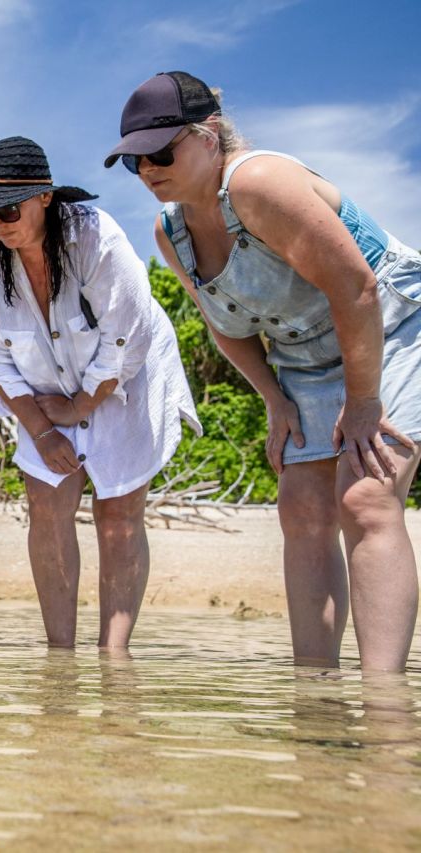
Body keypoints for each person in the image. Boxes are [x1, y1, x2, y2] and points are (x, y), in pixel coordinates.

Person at [106, 72, 421, 671]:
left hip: (392, 327)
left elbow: (356, 290)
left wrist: (362, 403)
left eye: (161, 152)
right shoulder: (170, 232)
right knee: (301, 508)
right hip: (302, 358)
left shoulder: (258, 182)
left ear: (210, 136)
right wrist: (274, 400)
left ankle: (385, 703)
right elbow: (226, 326)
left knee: (364, 497)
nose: (148, 170)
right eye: (133, 162)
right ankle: (316, 697)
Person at [0, 136, 200, 650]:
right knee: (47, 507)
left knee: (117, 512)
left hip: (126, 381)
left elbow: (127, 336)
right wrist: (40, 428)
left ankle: (113, 654)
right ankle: (61, 653)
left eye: (9, 208)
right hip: (41, 394)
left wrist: (81, 406)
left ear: (45, 198)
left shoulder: (95, 237)